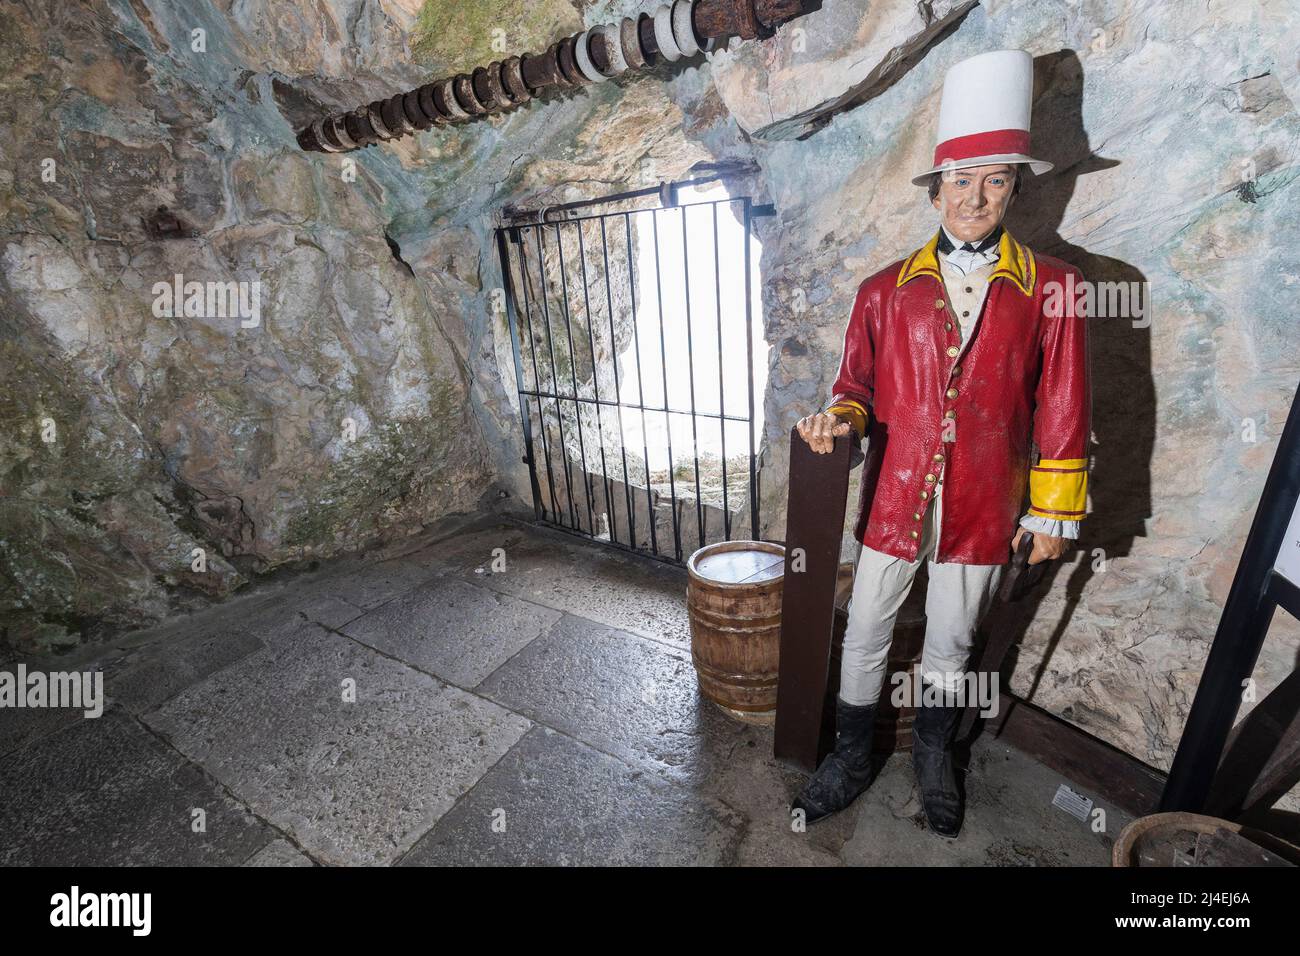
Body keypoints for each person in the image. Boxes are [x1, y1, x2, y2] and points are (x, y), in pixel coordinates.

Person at [790, 50, 1091, 837]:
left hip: (986, 505)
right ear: (937, 187)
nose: (976, 196)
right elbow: (853, 389)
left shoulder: (1055, 288)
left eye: (994, 179)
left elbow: (1063, 403)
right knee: (865, 630)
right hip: (894, 493)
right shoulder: (882, 290)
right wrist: (840, 423)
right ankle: (853, 756)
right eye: (960, 179)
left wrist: (1053, 514)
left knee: (953, 642)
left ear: (1015, 186)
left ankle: (931, 757)